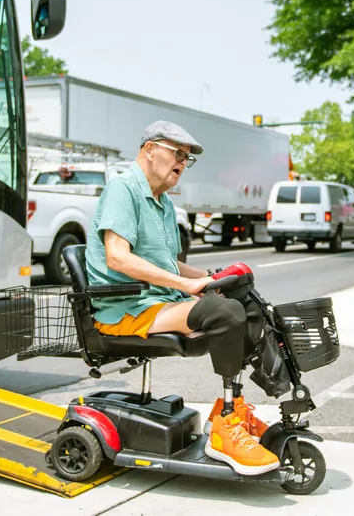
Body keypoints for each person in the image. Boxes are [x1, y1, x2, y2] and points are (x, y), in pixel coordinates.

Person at [85, 121, 279, 476]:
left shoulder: (160, 204)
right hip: (126, 308)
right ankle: (224, 430)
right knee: (224, 314)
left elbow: (167, 262)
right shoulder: (122, 189)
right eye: (177, 154)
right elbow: (117, 257)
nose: (181, 163)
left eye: (186, 159)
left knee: (247, 303)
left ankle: (231, 408)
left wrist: (207, 279)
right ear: (149, 150)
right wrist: (185, 285)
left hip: (157, 301)